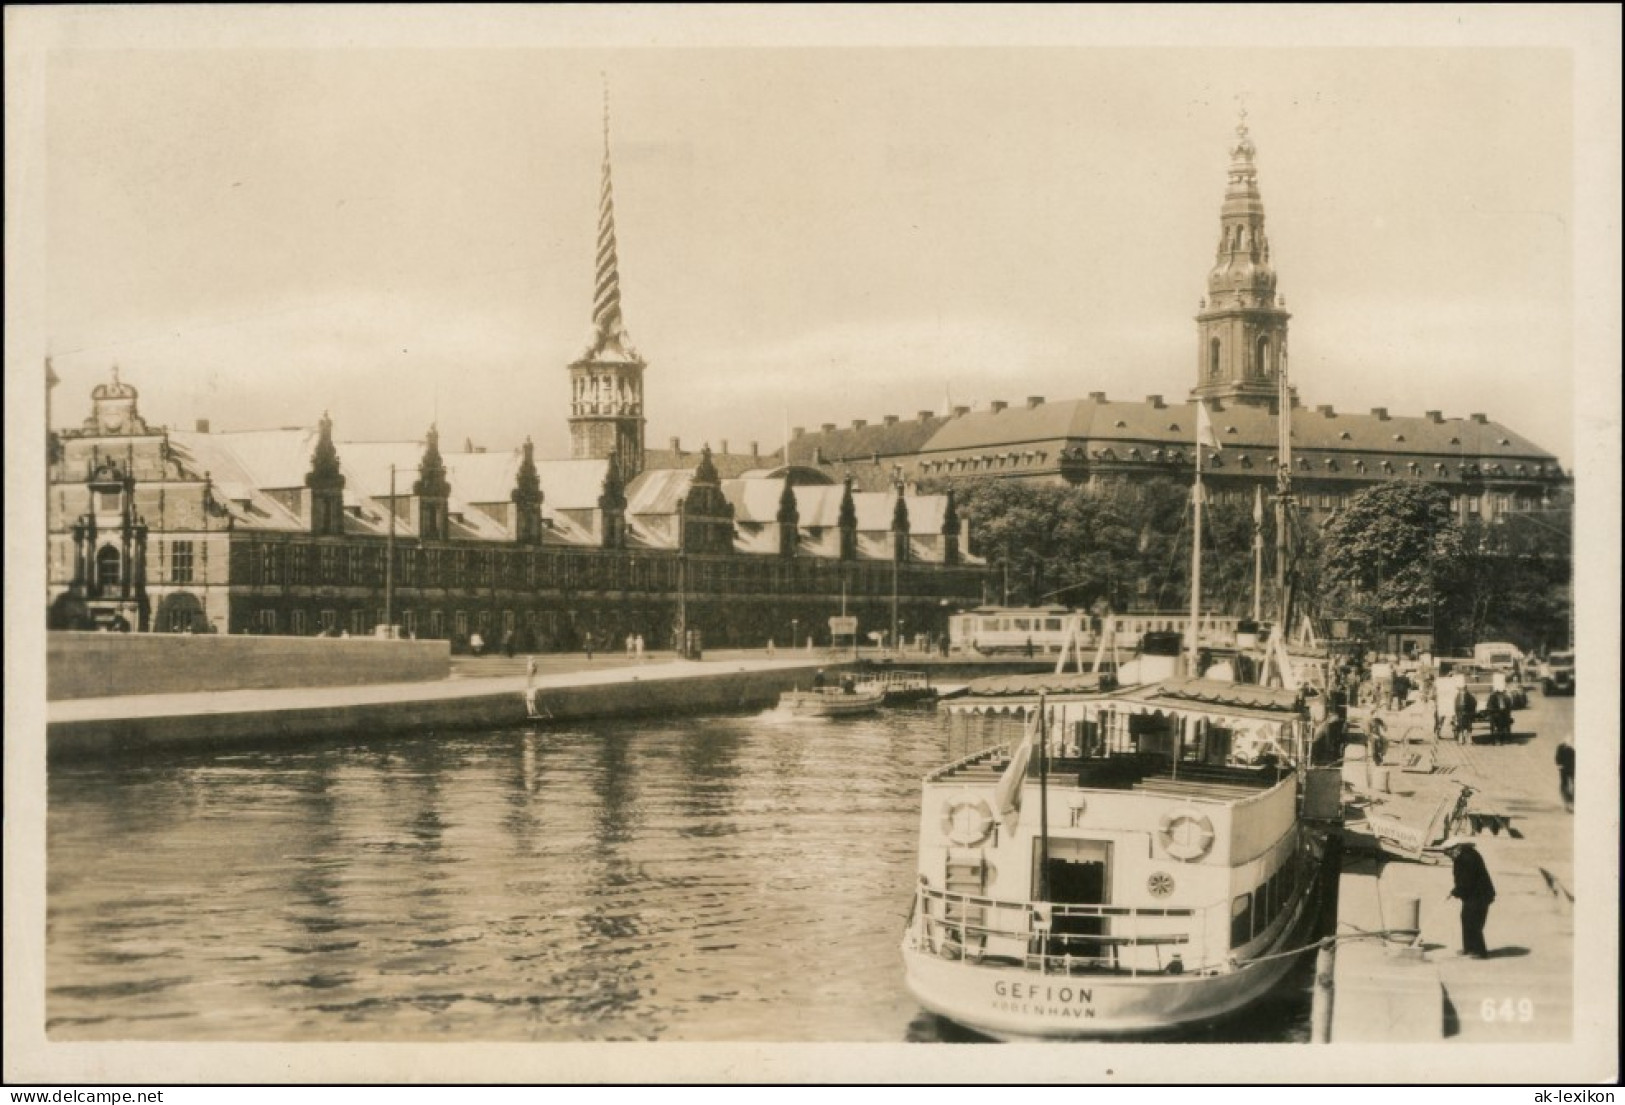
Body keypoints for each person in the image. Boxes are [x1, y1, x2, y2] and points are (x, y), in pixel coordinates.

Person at [1441, 837, 1495, 958]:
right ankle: (1469, 948)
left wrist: (1455, 891)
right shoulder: (1461, 856)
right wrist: (1457, 890)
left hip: (1480, 894)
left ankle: (1480, 952)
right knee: (1466, 918)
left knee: (1474, 921)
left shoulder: (1467, 858)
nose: (1448, 856)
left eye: (1448, 853)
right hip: (1472, 894)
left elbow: (1467, 881)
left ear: (1455, 849)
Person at [1555, 737, 1575, 812]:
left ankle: (1572, 800)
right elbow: (1557, 757)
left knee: (1574, 784)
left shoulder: (1572, 748)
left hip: (1573, 768)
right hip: (1564, 768)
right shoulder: (1561, 747)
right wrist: (1559, 764)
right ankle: (1567, 802)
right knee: (1564, 784)